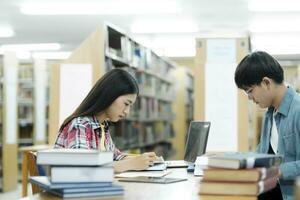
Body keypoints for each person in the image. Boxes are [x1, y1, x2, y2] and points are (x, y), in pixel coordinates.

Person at [54, 68, 157, 172]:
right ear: (110, 95)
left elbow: (116, 156)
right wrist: (131, 164)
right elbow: (84, 168)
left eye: (130, 106)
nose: (127, 112)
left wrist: (145, 159)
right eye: (126, 104)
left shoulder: (102, 125)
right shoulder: (81, 125)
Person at [234, 51, 300, 200]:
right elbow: (264, 152)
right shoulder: (269, 114)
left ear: (266, 83)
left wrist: (276, 171)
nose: (250, 98)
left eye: (250, 91)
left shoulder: (298, 110)